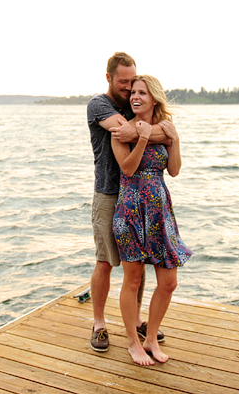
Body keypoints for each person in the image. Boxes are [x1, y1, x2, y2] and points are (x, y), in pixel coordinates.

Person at [86, 52, 169, 353]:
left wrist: (159, 131)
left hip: (137, 197)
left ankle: (134, 323)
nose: (127, 87)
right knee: (106, 261)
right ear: (108, 77)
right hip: (109, 193)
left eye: (132, 82)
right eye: (123, 82)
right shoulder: (100, 105)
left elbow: (145, 129)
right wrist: (162, 131)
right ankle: (98, 324)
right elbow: (126, 131)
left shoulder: (130, 102)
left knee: (138, 264)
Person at [111, 74, 192, 366]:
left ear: (154, 97)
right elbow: (128, 169)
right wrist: (143, 137)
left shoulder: (166, 128)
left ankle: (150, 338)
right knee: (132, 281)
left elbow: (174, 170)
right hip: (131, 210)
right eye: (133, 92)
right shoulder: (122, 130)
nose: (135, 97)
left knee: (168, 282)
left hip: (159, 210)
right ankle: (132, 342)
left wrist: (175, 140)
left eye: (142, 93)